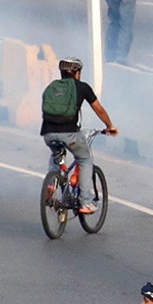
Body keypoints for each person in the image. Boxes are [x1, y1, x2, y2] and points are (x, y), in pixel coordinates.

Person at [39, 55, 119, 210]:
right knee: (85, 158)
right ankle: (86, 201)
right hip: (69, 133)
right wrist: (110, 126)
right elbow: (99, 110)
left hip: (48, 133)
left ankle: (51, 184)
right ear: (77, 72)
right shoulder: (82, 87)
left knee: (56, 155)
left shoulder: (51, 87)